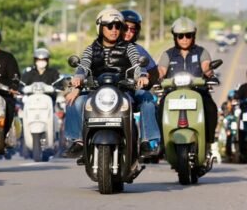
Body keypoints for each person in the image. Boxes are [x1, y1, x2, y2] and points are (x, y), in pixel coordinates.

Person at [62, 9, 147, 159]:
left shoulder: (129, 48)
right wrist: (77, 81)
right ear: (100, 28)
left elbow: (137, 64)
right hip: (96, 92)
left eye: (118, 26)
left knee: (142, 101)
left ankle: (138, 142)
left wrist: (142, 76)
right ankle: (78, 141)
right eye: (109, 26)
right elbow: (83, 67)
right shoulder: (91, 49)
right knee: (73, 102)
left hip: (122, 91)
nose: (114, 30)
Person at [156, 17, 217, 149]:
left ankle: (208, 140)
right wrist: (156, 76)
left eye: (188, 35)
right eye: (180, 36)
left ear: (193, 36)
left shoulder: (201, 52)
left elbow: (206, 66)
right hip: (172, 93)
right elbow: (161, 70)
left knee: (211, 107)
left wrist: (210, 73)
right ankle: (163, 142)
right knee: (159, 109)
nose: (184, 39)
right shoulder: (168, 54)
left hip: (198, 92)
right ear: (175, 37)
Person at [120, 9, 161, 157]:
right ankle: (82, 143)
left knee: (148, 99)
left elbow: (152, 71)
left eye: (133, 29)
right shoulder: (102, 47)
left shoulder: (137, 50)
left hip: (131, 91)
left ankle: (147, 140)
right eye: (125, 28)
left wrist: (146, 79)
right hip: (107, 92)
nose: (128, 32)